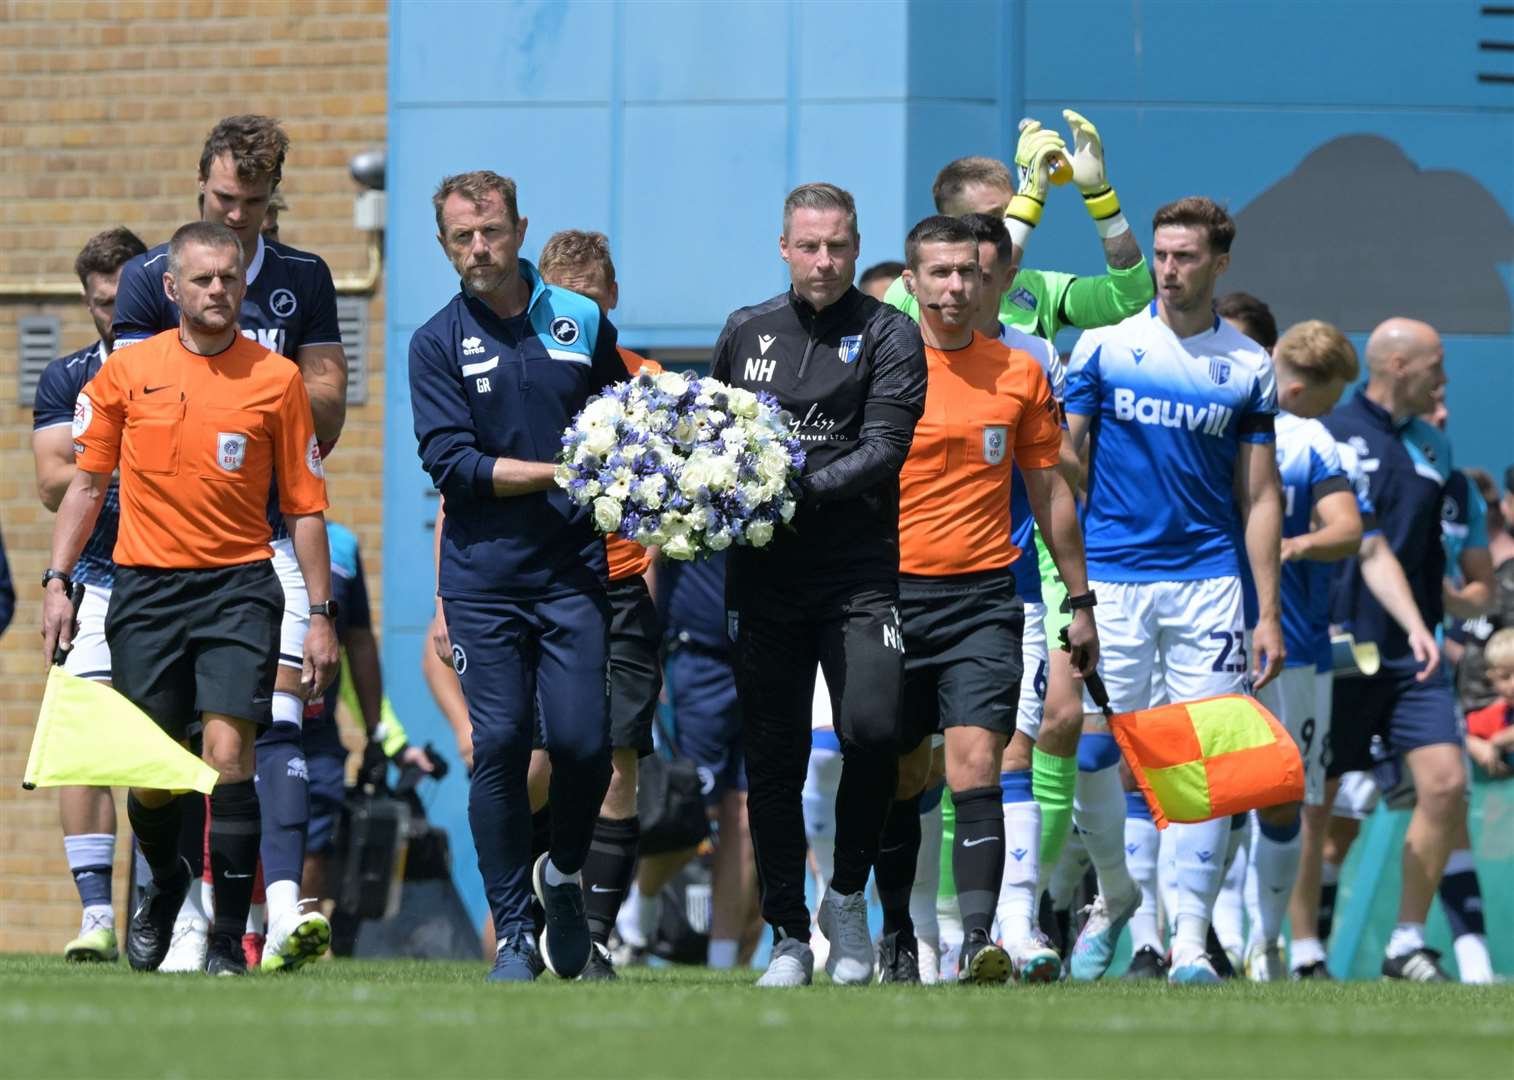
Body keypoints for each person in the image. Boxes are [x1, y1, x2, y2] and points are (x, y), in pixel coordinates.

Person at [43, 221, 339, 975]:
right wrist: (58, 581)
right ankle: (168, 881)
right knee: (152, 771)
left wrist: (323, 616)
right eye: (203, 280)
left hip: (240, 586)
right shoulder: (125, 372)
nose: (219, 292)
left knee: (230, 752)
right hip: (145, 589)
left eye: (229, 279)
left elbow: (306, 508)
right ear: (172, 288)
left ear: (243, 283)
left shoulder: (276, 380)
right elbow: (85, 484)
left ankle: (225, 942)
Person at [111, 114, 347, 973]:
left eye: (251, 202)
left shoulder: (305, 279)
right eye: (221, 200)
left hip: (266, 543)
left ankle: (248, 926)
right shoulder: (152, 278)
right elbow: (145, 410)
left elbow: (327, 409)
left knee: (251, 734)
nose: (237, 217)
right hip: (150, 551)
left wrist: (256, 388)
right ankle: (166, 894)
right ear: (199, 190)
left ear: (272, 199)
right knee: (160, 755)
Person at [408, 170, 626, 982]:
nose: (478, 249)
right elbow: (451, 464)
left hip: (571, 571)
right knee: (498, 745)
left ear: (520, 228)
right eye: (462, 237)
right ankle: (512, 932)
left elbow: (621, 425)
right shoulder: (434, 342)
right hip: (483, 579)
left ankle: (562, 875)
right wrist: (554, 474)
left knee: (583, 745)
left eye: (491, 231)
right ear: (442, 244)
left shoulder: (580, 319)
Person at [1061, 196, 1285, 985]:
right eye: (1162, 253)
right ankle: (1123, 904)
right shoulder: (1105, 347)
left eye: (1186, 256)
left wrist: (1267, 612)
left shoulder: (1249, 367)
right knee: (1097, 752)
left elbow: (1259, 498)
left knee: (1203, 759)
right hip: (1115, 582)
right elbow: (1061, 459)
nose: (1169, 268)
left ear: (1219, 264)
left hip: (1208, 584)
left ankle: (1189, 939)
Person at [711, 182, 927, 987]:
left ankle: (846, 898)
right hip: (765, 578)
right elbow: (715, 438)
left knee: (873, 731)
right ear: (784, 248)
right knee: (774, 758)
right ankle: (790, 935)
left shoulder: (891, 334)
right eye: (809, 246)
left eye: (838, 245)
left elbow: (883, 448)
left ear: (855, 243)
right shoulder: (746, 329)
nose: (826, 261)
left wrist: (793, 486)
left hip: (858, 572)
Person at [875, 215, 1098, 985]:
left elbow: (1051, 494)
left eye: (966, 273)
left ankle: (979, 941)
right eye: (937, 273)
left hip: (984, 601)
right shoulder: (876, 369)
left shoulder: (1020, 371)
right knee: (903, 778)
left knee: (979, 765)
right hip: (890, 604)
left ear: (988, 279)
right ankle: (901, 936)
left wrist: (1081, 600)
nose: (953, 287)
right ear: (912, 282)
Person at [1319, 318, 1478, 981]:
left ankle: (1406, 942)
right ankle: (1290, 949)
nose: (1445, 378)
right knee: (1319, 814)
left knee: (1445, 784)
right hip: (1333, 653)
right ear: (1398, 365)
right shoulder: (1330, 434)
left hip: (1415, 658)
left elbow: (1423, 553)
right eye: (1436, 365)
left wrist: (1448, 605)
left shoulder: (1435, 447)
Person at [31, 226, 148, 963]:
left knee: (195, 745)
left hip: (180, 577)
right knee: (80, 745)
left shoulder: (186, 365)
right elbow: (52, 483)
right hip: (99, 577)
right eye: (101, 303)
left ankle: (188, 912)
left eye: (123, 300)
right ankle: (98, 914)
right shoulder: (67, 375)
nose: (114, 316)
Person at [883, 112, 1151, 341]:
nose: (1009, 224)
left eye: (1012, 212)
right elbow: (977, 300)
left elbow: (1132, 296)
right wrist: (1030, 202)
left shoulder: (1043, 290)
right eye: (992, 216)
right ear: (950, 225)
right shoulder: (910, 289)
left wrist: (1100, 198)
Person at [301, 521, 436, 924]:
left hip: (318, 732)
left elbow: (355, 646)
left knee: (315, 835)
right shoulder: (246, 531)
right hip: (256, 724)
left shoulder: (341, 545)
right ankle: (242, 936)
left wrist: (386, 737)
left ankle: (295, 936)